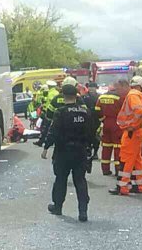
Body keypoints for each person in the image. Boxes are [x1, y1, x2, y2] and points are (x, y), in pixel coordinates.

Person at [40, 83, 93, 222]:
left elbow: (53, 132)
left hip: (63, 152)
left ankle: (57, 207)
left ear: (63, 96)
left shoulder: (61, 112)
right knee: (80, 181)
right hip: (80, 151)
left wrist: (46, 147)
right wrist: (91, 148)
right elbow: (91, 131)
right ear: (76, 96)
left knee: (61, 179)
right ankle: (83, 212)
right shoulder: (85, 112)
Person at [110, 77, 142, 195]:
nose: (117, 92)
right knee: (136, 159)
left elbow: (139, 112)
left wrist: (132, 126)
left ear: (125, 86)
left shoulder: (132, 96)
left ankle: (122, 187)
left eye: (118, 89)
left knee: (125, 159)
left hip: (132, 133)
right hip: (136, 132)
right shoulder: (133, 96)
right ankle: (138, 185)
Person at [95, 81, 124, 175]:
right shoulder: (119, 97)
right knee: (117, 147)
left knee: (106, 147)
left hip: (106, 123)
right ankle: (118, 170)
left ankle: (105, 170)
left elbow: (97, 110)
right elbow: (123, 111)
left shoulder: (101, 97)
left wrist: (102, 119)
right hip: (117, 124)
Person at [35, 80, 60, 146]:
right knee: (52, 128)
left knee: (46, 128)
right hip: (57, 113)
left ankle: (42, 142)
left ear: (49, 86)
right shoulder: (57, 92)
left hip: (50, 113)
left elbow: (50, 103)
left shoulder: (50, 93)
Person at [82, 81, 101, 159]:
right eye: (90, 87)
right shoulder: (84, 97)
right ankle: (88, 150)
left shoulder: (100, 97)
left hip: (97, 119)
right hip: (87, 119)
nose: (91, 89)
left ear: (96, 88)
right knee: (88, 136)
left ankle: (95, 152)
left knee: (96, 137)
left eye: (93, 87)